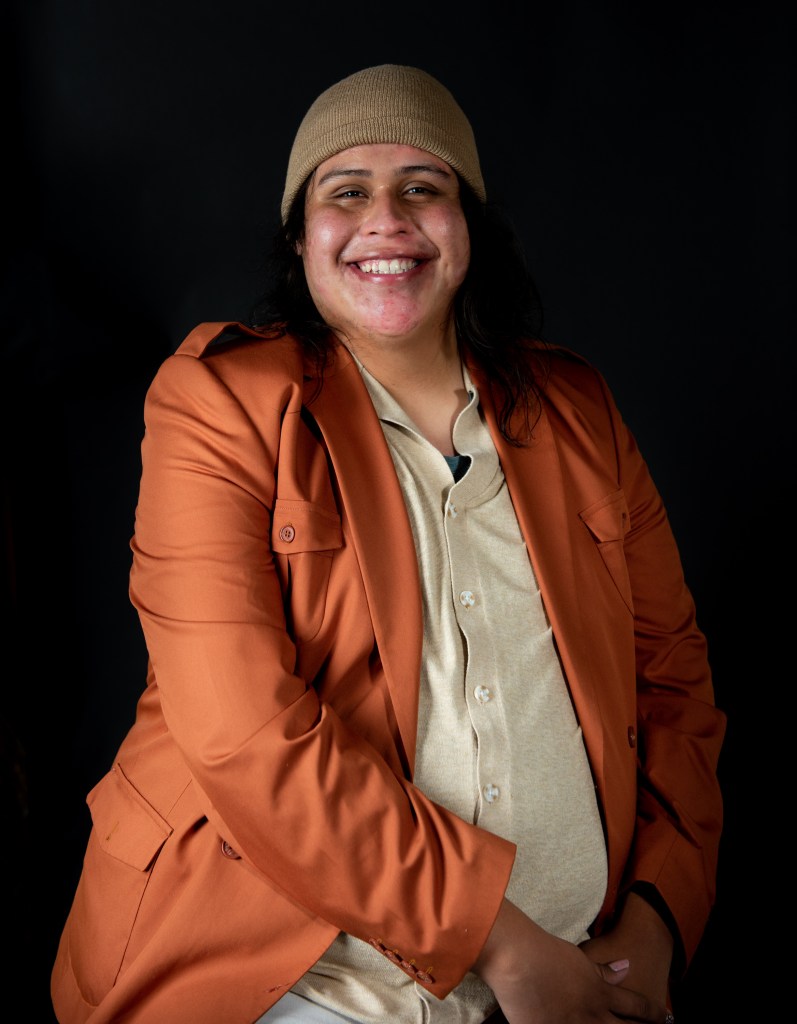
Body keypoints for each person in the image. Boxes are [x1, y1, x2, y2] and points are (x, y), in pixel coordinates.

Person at [51, 64, 726, 1024]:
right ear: (301, 236)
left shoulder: (577, 410)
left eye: (422, 187)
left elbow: (671, 681)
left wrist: (659, 915)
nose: (385, 220)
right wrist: (500, 943)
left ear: (468, 225)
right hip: (303, 986)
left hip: (580, 978)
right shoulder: (218, 404)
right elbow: (242, 733)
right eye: (345, 193)